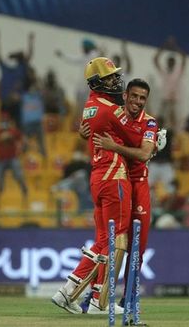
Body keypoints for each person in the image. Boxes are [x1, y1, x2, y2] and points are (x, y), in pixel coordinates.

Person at [51, 57, 141, 315]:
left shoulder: (89, 106)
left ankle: (80, 296)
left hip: (98, 177)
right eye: (110, 77)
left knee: (104, 239)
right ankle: (86, 297)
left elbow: (87, 130)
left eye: (115, 76)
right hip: (114, 177)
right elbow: (136, 139)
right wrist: (153, 137)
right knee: (117, 240)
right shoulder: (111, 110)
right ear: (97, 82)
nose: (115, 81)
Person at [79, 78, 165, 311]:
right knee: (110, 243)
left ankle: (128, 301)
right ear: (125, 95)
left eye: (143, 98)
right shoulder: (115, 116)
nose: (138, 102)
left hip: (138, 185)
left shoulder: (149, 123)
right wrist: (83, 132)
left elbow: (144, 154)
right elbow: (94, 127)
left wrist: (114, 147)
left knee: (137, 248)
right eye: (134, 96)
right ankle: (95, 297)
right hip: (116, 182)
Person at [153, 36, 186, 129]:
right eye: (169, 61)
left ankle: (173, 132)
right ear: (167, 62)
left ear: (174, 63)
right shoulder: (164, 71)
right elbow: (155, 59)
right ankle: (157, 130)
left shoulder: (178, 71)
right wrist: (164, 46)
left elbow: (184, 58)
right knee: (160, 116)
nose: (170, 63)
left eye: (172, 61)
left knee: (173, 118)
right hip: (164, 97)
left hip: (174, 98)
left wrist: (175, 46)